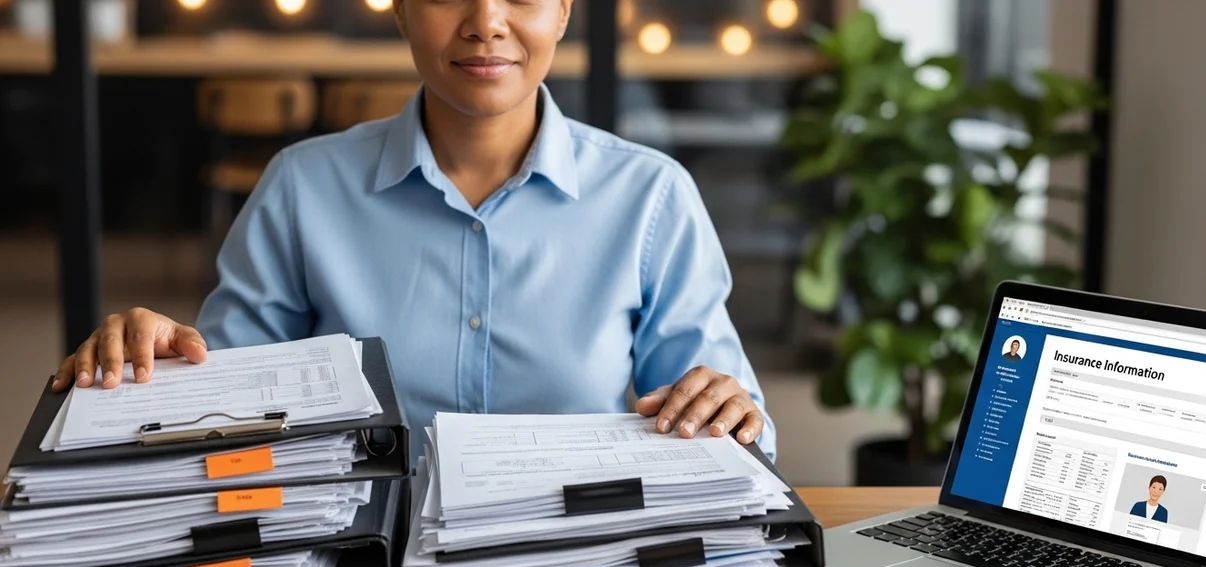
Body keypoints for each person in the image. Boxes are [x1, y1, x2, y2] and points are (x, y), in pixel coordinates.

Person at [50, 0, 777, 461]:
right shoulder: (304, 187)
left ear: (562, 11)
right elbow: (226, 405)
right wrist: (158, 361)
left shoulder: (650, 198)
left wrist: (732, 411)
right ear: (397, 10)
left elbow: (731, 426)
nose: (486, 21)